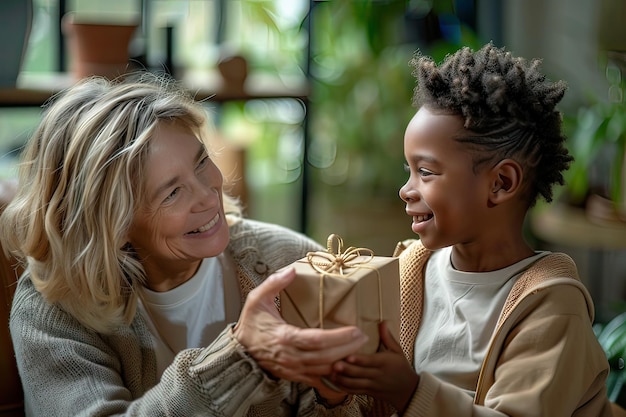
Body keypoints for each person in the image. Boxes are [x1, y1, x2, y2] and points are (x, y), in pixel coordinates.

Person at [0, 73, 371, 416]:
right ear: (113, 224)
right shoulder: (53, 309)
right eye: (173, 192)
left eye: (201, 162)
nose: (208, 195)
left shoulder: (286, 259)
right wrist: (242, 356)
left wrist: (332, 396)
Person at [327, 43, 623, 416]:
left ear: (500, 183)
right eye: (409, 170)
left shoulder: (551, 307)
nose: (406, 190)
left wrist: (410, 393)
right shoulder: (407, 274)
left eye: (427, 172)